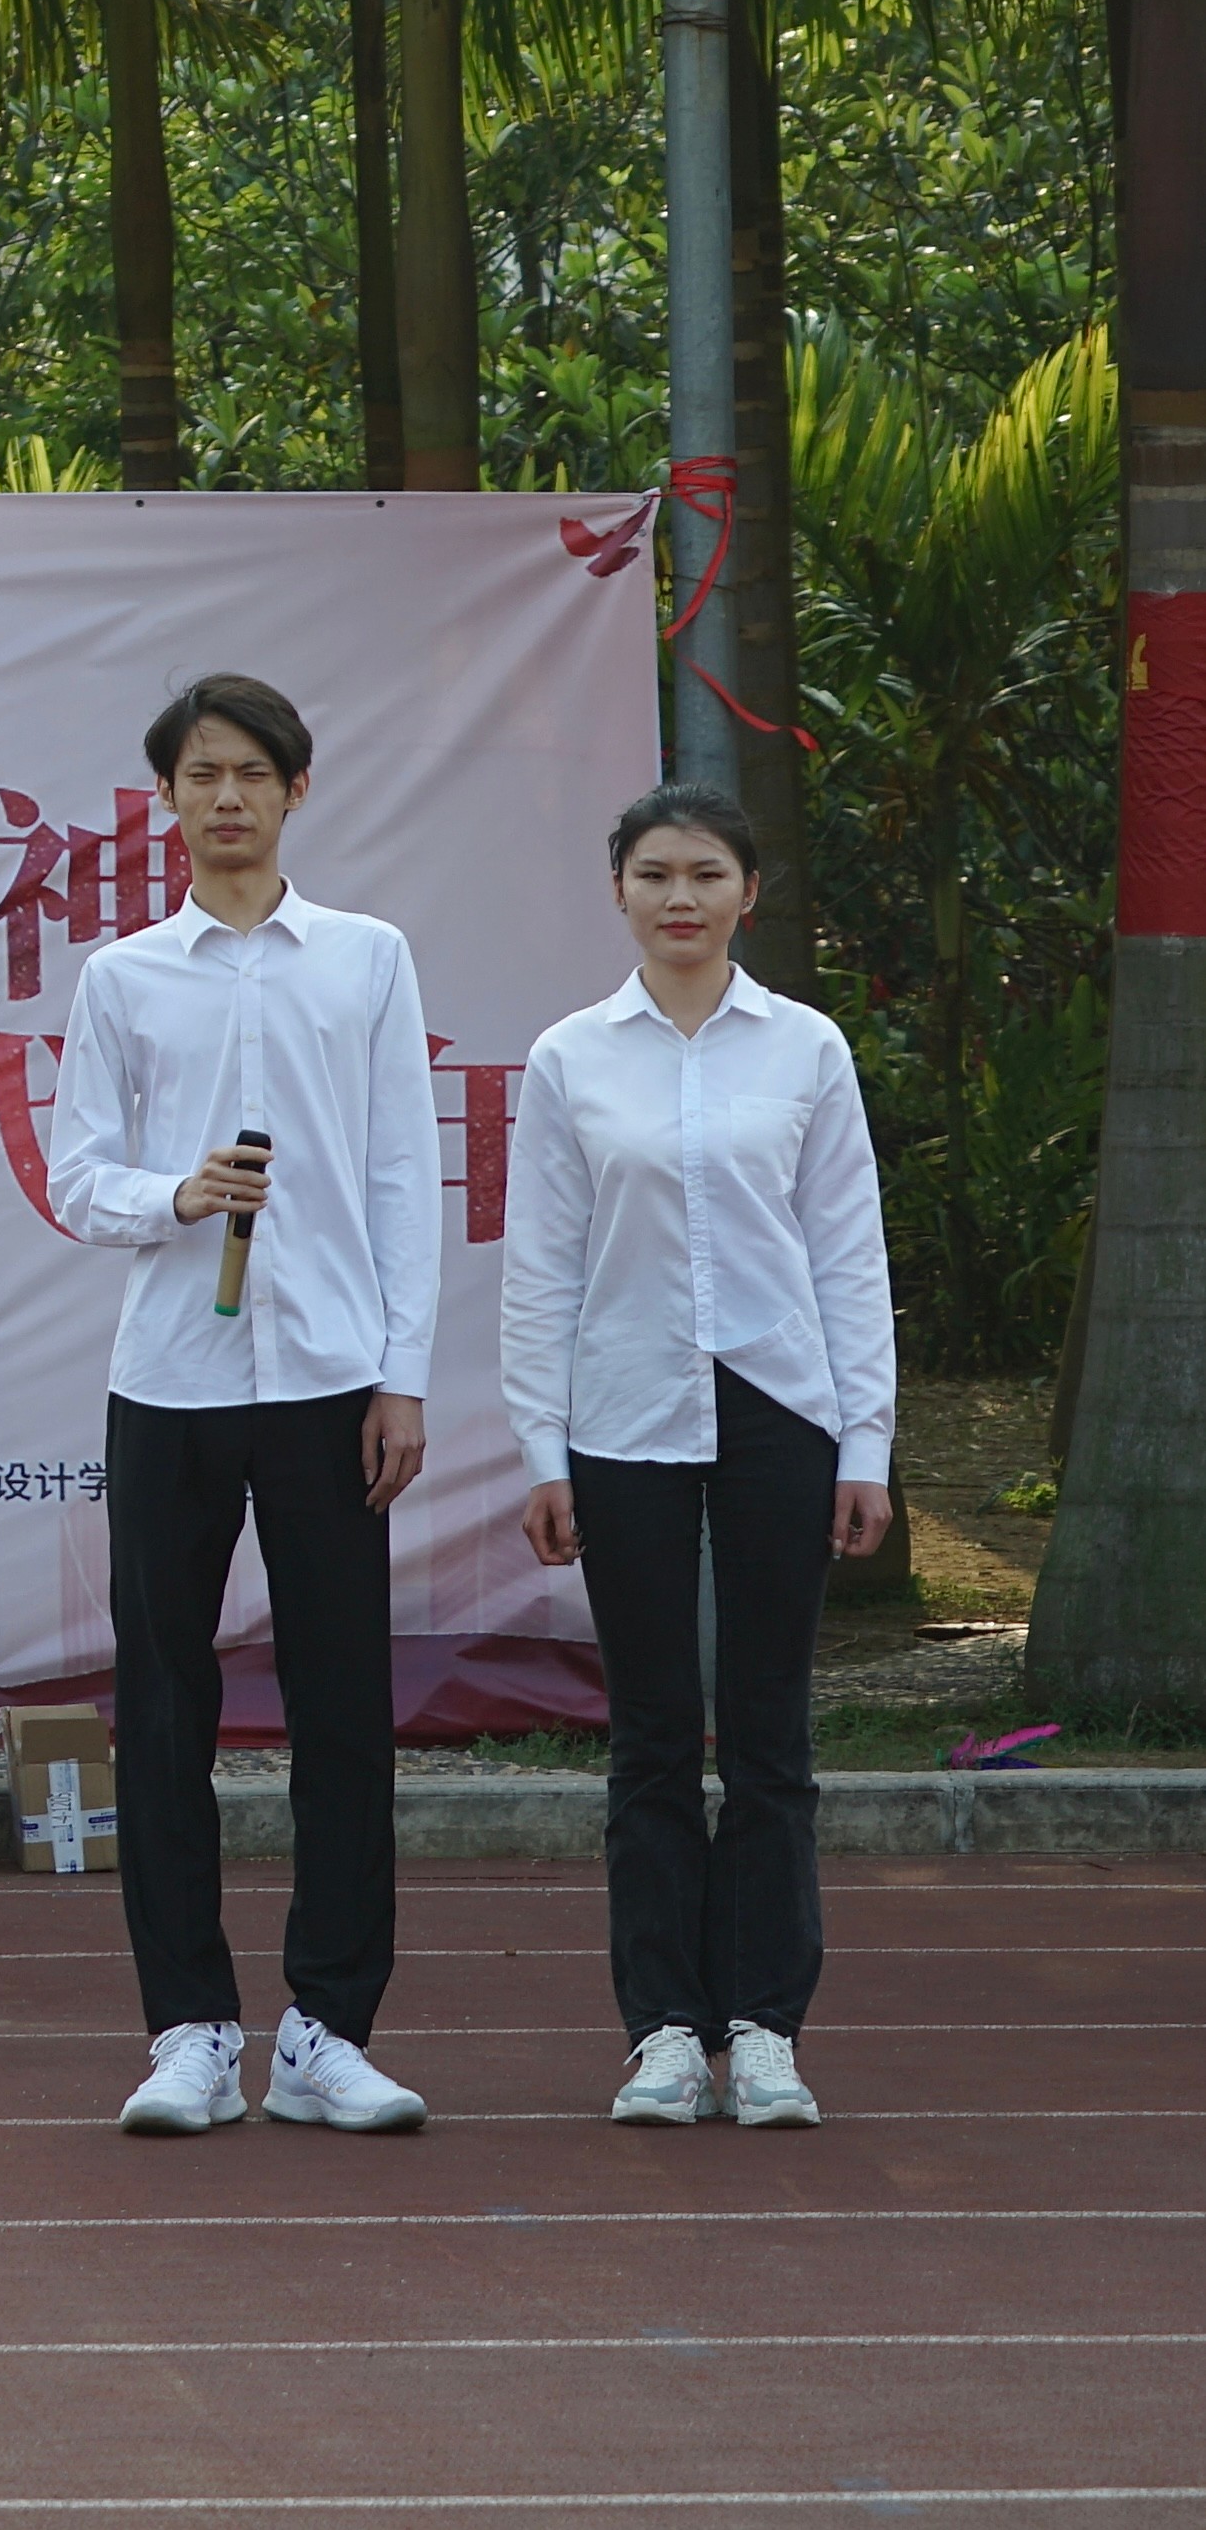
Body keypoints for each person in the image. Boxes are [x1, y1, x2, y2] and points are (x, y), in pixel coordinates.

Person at [54, 672, 439, 2138]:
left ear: (295, 791)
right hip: (170, 1379)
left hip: (332, 1378)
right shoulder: (122, 976)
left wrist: (401, 1371)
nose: (226, 796)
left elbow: (401, 1173)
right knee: (163, 1708)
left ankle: (327, 2029)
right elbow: (77, 1177)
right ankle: (189, 2030)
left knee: (343, 1705)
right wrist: (177, 1191)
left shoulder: (365, 958)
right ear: (164, 797)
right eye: (201, 773)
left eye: (253, 773)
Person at [503, 784, 897, 2135]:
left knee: (771, 1734)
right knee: (654, 1735)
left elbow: (846, 1251)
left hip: (780, 1406)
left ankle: (767, 2027)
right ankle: (663, 2030)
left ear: (748, 892)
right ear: (617, 888)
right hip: (620, 1417)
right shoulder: (569, 1056)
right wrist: (540, 1447)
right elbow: (540, 1265)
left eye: (707, 873)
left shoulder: (804, 1046)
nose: (680, 896)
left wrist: (864, 1439)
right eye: (655, 872)